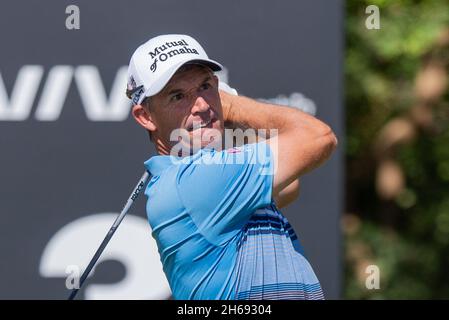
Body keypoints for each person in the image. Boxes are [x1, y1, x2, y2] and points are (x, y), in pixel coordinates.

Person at [127, 34, 337, 300]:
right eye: (178, 96)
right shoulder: (196, 180)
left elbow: (289, 187)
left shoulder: (210, 177)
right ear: (145, 116)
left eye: (205, 86)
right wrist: (232, 107)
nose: (202, 106)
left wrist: (222, 117)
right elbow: (319, 138)